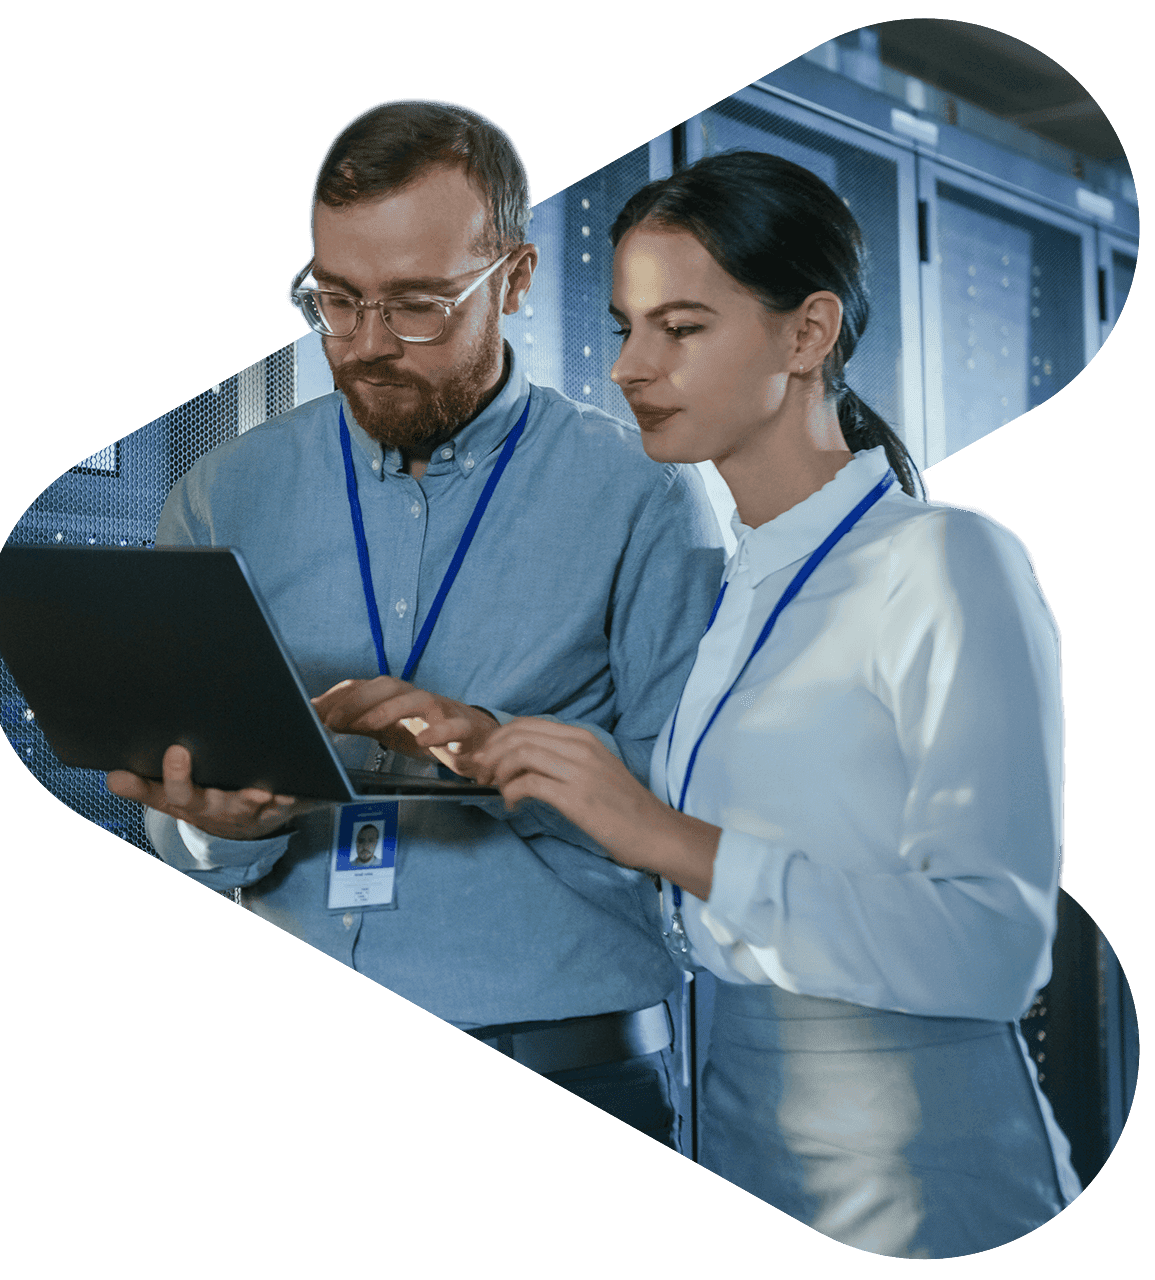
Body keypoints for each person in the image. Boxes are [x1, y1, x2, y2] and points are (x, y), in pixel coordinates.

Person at [463, 151, 1082, 1257]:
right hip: (728, 1113)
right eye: (623, 326)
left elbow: (994, 945)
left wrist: (661, 833)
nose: (626, 368)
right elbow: (749, 840)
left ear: (806, 336)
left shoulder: (944, 562)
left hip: (911, 1162)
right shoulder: (738, 582)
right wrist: (506, 754)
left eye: (681, 328)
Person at [105, 100, 724, 1148]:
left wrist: (499, 753)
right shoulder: (221, 496)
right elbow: (182, 823)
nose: (366, 346)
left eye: (417, 306)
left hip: (561, 1064)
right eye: (336, 300)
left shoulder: (644, 497)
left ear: (516, 280)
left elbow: (704, 811)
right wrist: (209, 822)